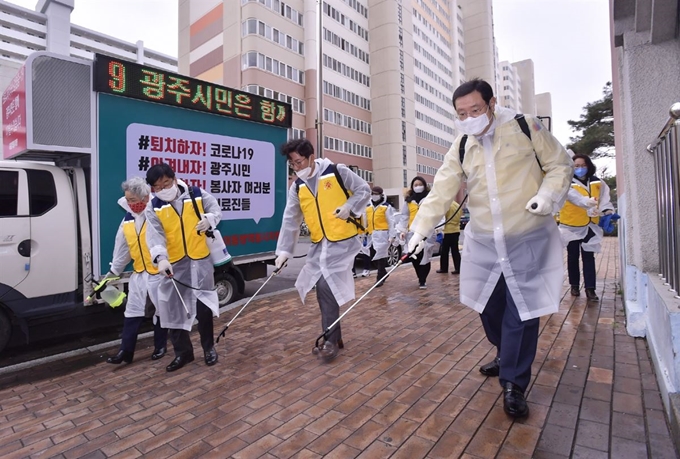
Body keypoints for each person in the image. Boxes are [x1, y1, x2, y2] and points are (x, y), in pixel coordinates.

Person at [408, 78, 572, 418]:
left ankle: (514, 383)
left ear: (492, 104)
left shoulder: (526, 127)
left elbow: (560, 165)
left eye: (476, 110)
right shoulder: (462, 146)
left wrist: (546, 196)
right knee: (489, 306)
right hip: (484, 240)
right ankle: (505, 352)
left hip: (527, 236)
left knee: (523, 312)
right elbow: (441, 189)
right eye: (462, 113)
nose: (469, 118)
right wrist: (420, 229)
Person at [274, 139, 370, 362]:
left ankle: (329, 340)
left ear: (310, 157)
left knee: (326, 284)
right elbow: (290, 219)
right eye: (293, 164)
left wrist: (350, 207)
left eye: (299, 162)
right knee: (321, 287)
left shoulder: (337, 171)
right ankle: (334, 336)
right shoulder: (297, 187)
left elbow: (363, 190)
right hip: (320, 245)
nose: (297, 168)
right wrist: (284, 252)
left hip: (344, 241)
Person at [145, 163, 223, 372]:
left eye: (166, 183)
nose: (163, 189)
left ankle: (209, 348)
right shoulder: (153, 207)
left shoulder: (196, 194)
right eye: (157, 187)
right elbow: (154, 235)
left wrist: (209, 220)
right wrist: (160, 258)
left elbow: (215, 209)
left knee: (203, 306)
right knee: (172, 308)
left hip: (200, 259)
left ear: (175, 178)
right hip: (174, 262)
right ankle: (183, 353)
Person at [105, 177, 168, 364]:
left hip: (159, 272)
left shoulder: (157, 215)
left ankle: (160, 346)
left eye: (133, 200)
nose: (130, 203)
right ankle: (125, 351)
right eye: (128, 200)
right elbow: (122, 248)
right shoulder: (127, 219)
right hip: (139, 273)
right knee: (132, 312)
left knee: (160, 311)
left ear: (145, 197)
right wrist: (113, 272)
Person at [559, 153, 614, 301]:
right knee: (572, 257)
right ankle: (574, 286)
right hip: (571, 225)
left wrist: (606, 212)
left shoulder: (598, 182)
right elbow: (573, 199)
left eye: (583, 165)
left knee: (588, 257)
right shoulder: (566, 183)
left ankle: (590, 289)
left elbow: (604, 199)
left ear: (589, 166)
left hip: (590, 225)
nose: (580, 168)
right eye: (576, 166)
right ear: (571, 167)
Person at [397, 176, 437, 289]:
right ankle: (420, 276)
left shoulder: (430, 199)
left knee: (425, 255)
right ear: (412, 187)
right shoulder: (409, 201)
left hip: (427, 232)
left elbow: (436, 213)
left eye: (420, 184)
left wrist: (438, 226)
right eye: (415, 185)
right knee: (414, 255)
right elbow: (404, 216)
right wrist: (403, 230)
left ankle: (423, 279)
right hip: (413, 232)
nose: (418, 187)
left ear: (424, 185)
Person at [365, 186, 396, 287]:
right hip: (372, 235)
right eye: (372, 193)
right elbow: (366, 221)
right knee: (373, 256)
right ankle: (384, 273)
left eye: (376, 194)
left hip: (382, 234)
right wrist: (365, 231)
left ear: (381, 195)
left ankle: (380, 278)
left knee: (381, 256)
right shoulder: (369, 207)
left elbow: (391, 222)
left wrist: (392, 236)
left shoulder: (386, 207)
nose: (374, 195)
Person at [436, 200, 462, 275]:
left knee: (444, 251)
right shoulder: (457, 204)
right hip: (456, 229)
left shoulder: (446, 205)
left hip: (448, 230)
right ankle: (458, 268)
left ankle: (444, 268)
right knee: (455, 251)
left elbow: (443, 219)